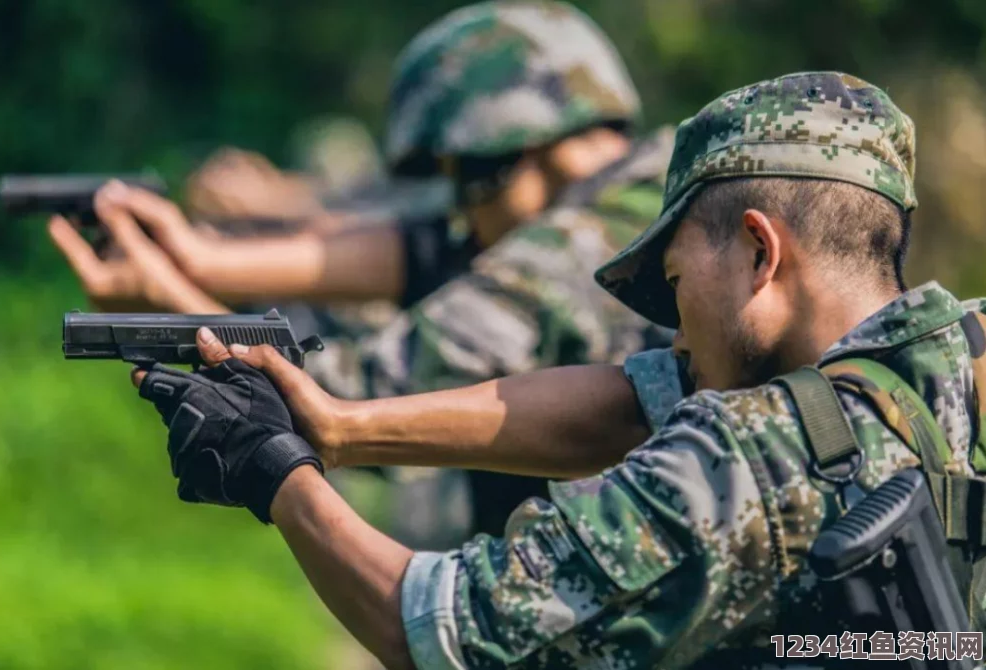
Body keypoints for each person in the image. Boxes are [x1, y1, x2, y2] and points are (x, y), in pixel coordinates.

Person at [129, 71, 986, 668]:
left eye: (678, 285)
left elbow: (441, 627)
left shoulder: (747, 463)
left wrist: (274, 467)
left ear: (760, 252)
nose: (675, 338)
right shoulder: (957, 360)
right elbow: (627, 404)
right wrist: (342, 426)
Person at [61, 0, 677, 545]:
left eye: (462, 181)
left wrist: (173, 297)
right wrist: (201, 258)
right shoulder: (654, 190)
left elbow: (354, 394)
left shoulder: (574, 253)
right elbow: (418, 249)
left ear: (511, 148)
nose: (460, 216)